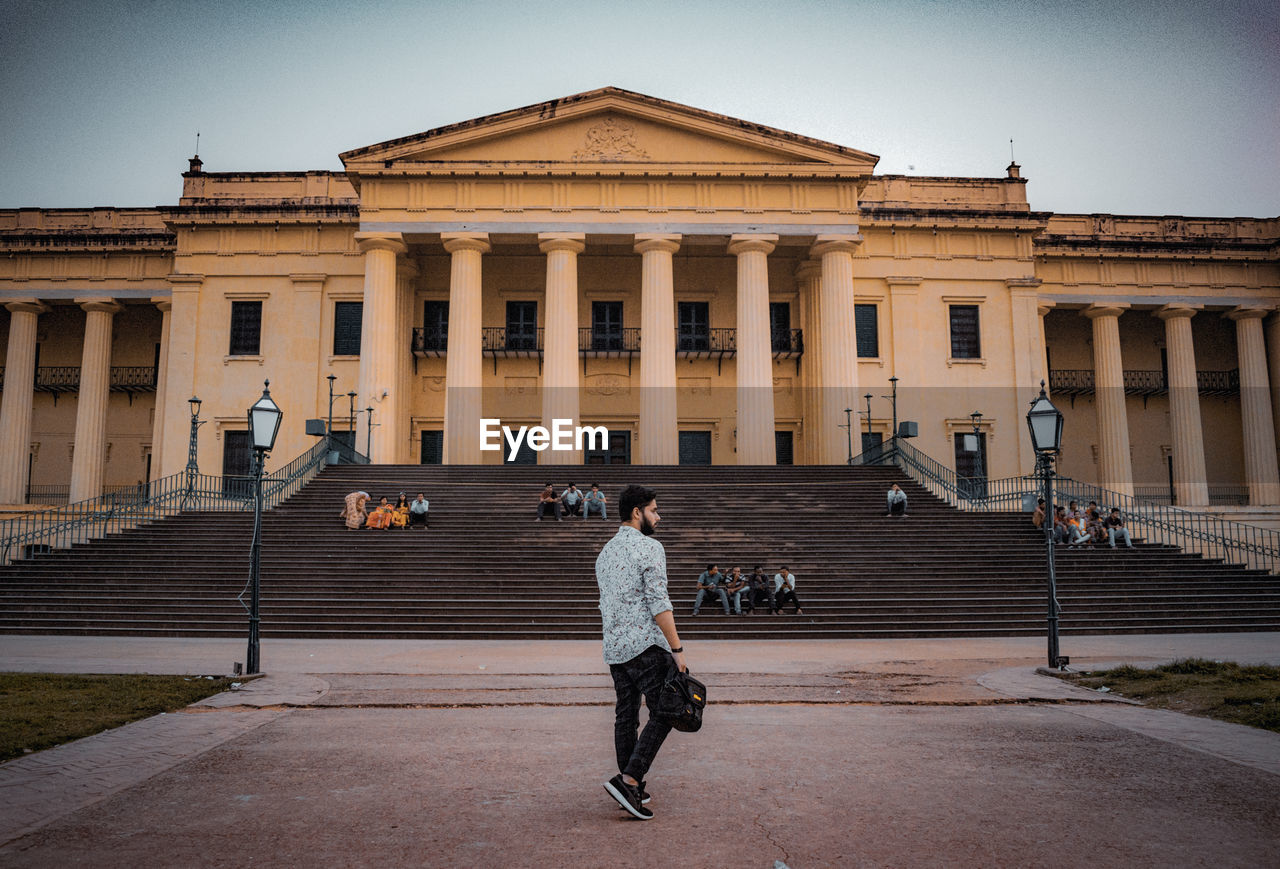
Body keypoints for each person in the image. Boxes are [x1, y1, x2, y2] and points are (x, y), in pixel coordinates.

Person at [596, 483, 685, 820]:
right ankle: (630, 779)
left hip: (615, 647)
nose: (658, 517)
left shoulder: (604, 553)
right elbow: (659, 602)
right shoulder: (649, 547)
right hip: (647, 645)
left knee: (626, 716)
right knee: (667, 710)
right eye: (654, 510)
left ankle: (628, 785)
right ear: (638, 512)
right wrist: (677, 648)